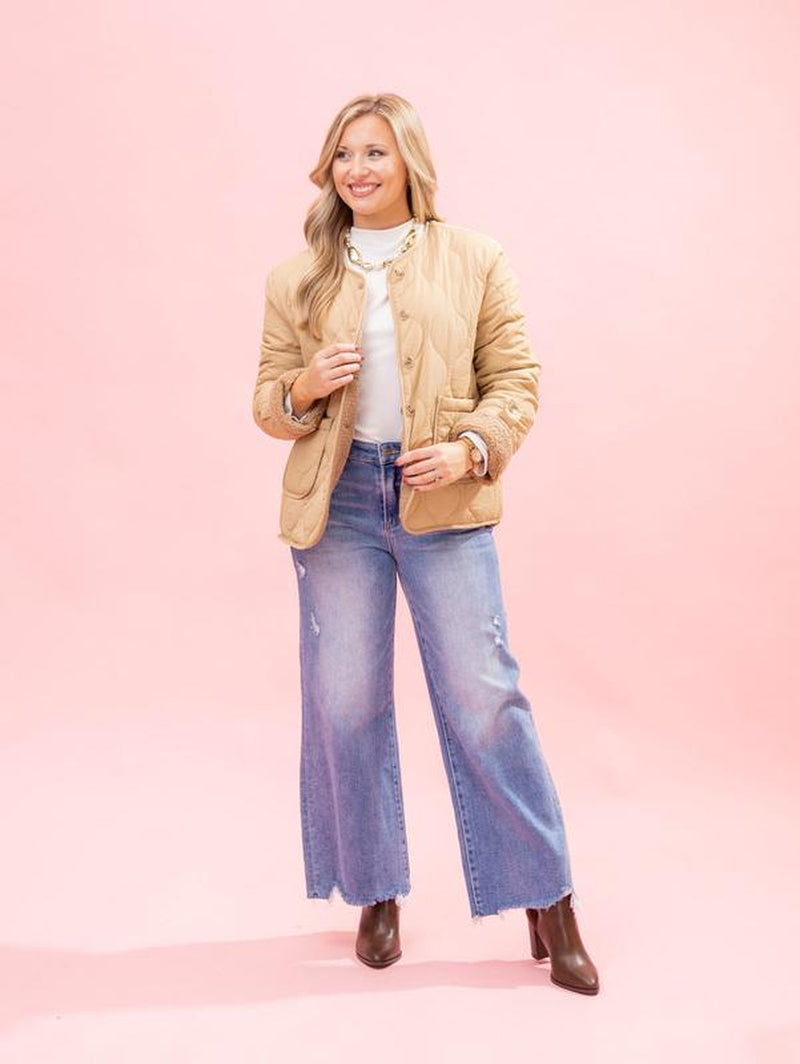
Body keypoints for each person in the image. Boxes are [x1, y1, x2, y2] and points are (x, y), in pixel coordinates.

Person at [252, 92, 599, 995]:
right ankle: (375, 891)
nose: (356, 170)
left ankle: (548, 898)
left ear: (408, 160)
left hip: (442, 500)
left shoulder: (474, 258)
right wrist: (303, 387)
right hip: (339, 508)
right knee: (345, 703)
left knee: (487, 700)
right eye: (343, 155)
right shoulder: (298, 277)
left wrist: (470, 448)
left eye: (374, 152)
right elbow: (267, 403)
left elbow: (516, 380)